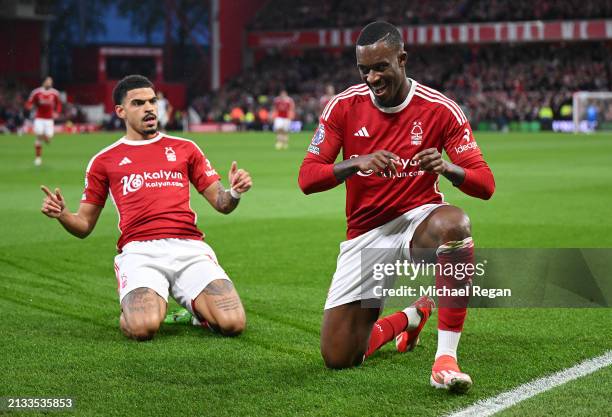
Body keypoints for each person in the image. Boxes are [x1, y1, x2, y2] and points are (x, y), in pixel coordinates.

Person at [298, 22, 495, 393]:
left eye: (381, 67)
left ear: (402, 59)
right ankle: (410, 317)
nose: (372, 77)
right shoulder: (343, 107)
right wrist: (354, 163)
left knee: (456, 224)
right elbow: (307, 178)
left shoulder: (440, 109)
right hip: (366, 234)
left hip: (419, 222)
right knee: (339, 357)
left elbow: (486, 185)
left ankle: (445, 359)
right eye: (364, 70)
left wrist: (447, 167)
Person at [40, 75, 251, 341]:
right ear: (120, 111)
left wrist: (234, 192)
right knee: (143, 328)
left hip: (189, 248)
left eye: (152, 101)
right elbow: (83, 226)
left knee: (233, 324)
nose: (150, 108)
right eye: (138, 103)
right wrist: (62, 215)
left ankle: (195, 312)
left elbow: (222, 204)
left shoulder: (185, 148)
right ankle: (141, 304)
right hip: (140, 252)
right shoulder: (103, 161)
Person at [25, 77, 62, 166]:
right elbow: (29, 102)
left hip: (49, 119)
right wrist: (29, 106)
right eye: (48, 82)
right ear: (44, 82)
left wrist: (57, 112)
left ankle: (45, 138)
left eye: (51, 82)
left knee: (48, 137)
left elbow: (59, 104)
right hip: (39, 118)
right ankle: (38, 159)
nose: (49, 83)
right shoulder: (36, 92)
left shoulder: (55, 93)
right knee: (38, 136)